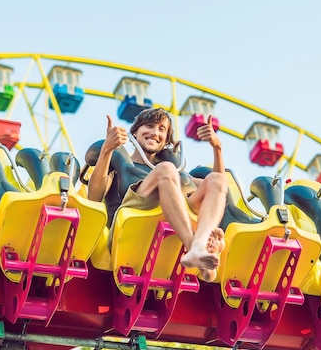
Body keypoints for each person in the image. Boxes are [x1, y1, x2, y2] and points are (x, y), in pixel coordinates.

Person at [87, 107, 228, 282]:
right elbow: (93, 196)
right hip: (133, 220)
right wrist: (107, 150)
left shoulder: (177, 173)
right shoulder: (119, 165)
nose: (155, 133)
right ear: (135, 132)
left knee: (217, 180)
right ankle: (194, 248)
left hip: (174, 218)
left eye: (162, 129)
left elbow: (219, 191)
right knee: (165, 170)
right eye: (149, 126)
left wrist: (217, 148)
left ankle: (201, 244)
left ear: (165, 141)